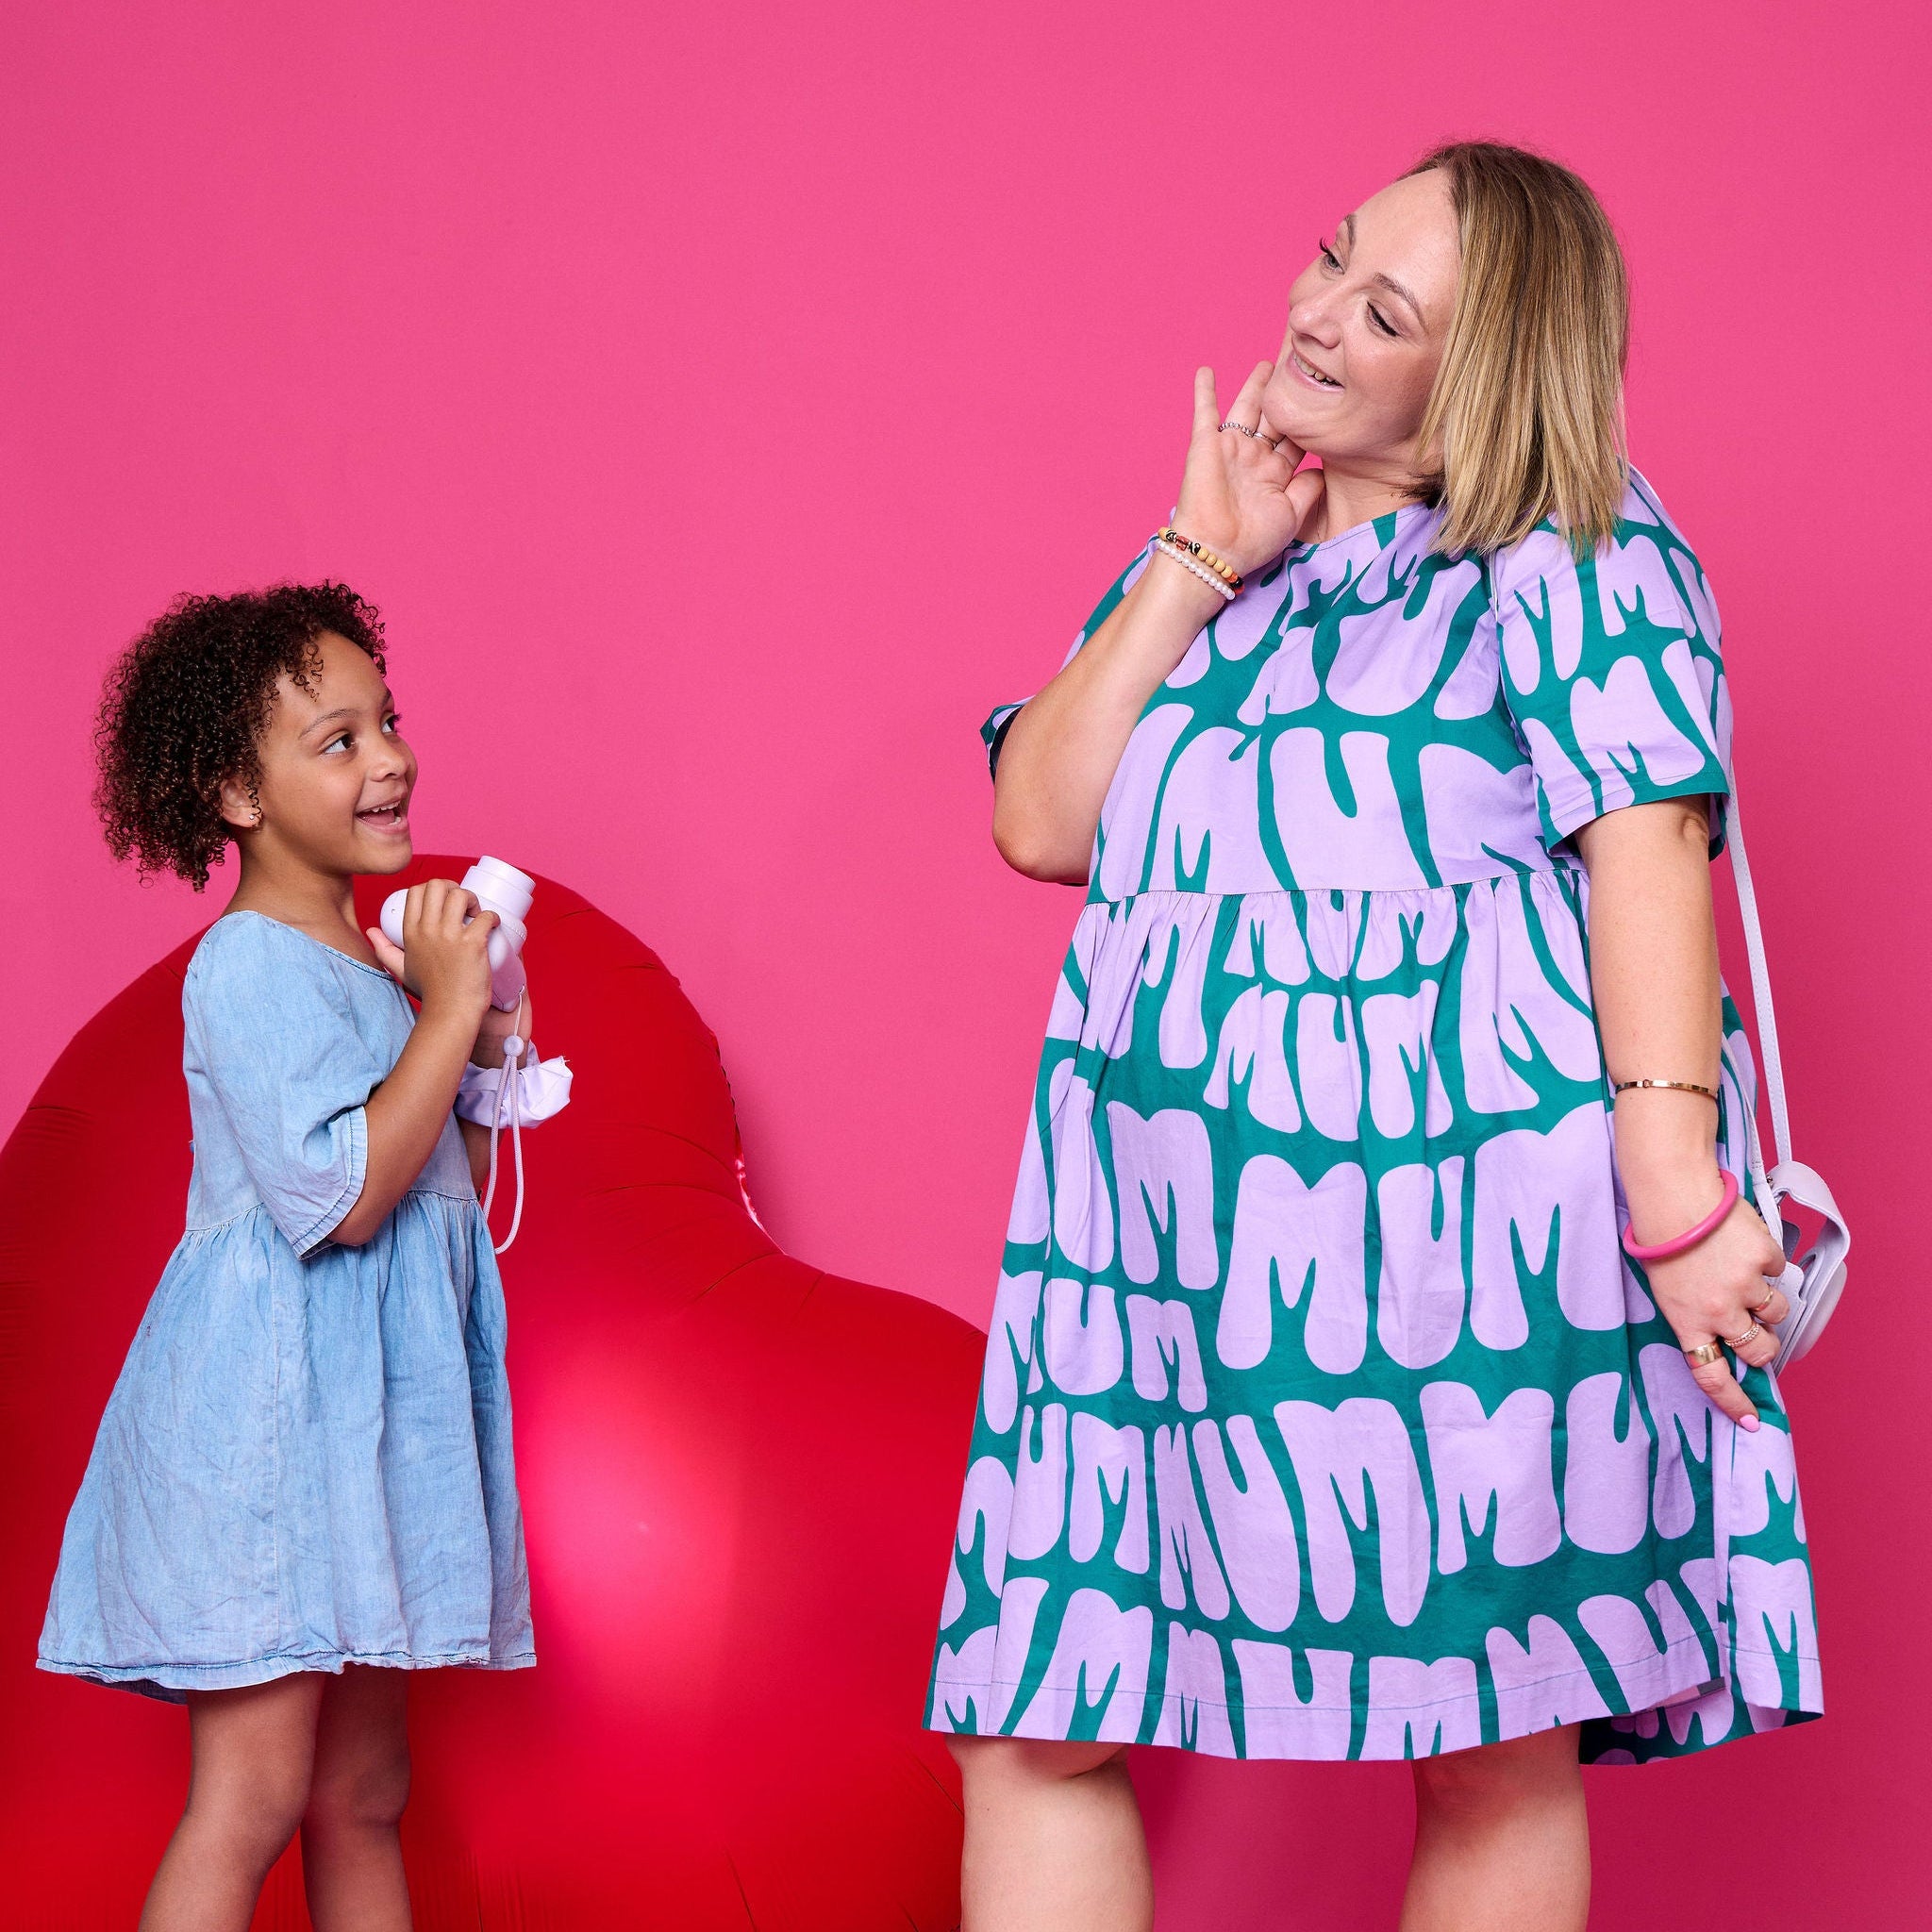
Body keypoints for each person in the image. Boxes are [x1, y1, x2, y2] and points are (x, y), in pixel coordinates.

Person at [924, 140, 1820, 1932]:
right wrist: (1197, 553)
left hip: (1459, 1263)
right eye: (1331, 256)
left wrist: (1672, 1189)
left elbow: (1650, 834)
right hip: (1147, 1270)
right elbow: (1042, 821)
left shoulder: (1578, 551)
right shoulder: (1238, 536)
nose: (1316, 314)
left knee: (1488, 1745)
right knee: (1033, 1720)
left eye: (1383, 310)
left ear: (1479, 375)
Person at [39, 586, 534, 1932]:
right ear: (235, 795)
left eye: (390, 722)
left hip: (366, 1450)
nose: (389, 759)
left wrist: (477, 1038)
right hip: (267, 1455)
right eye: (337, 738)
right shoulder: (246, 967)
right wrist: (442, 1009)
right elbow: (346, 1202)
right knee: (250, 1794)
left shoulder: (375, 973)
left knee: (365, 1790)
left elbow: (448, 1200)